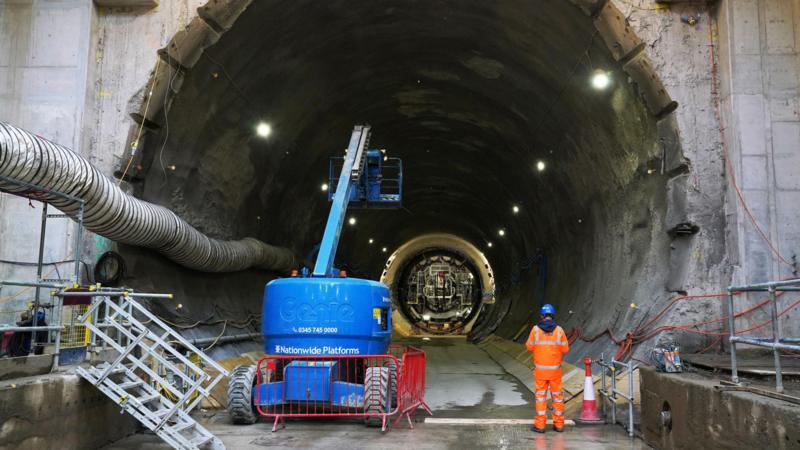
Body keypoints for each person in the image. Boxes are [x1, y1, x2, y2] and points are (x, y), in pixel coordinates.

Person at [526, 303, 569, 433]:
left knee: (540, 397)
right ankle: (559, 425)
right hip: (555, 372)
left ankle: (540, 425)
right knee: (557, 397)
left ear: (541, 316)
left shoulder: (535, 330)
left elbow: (529, 347)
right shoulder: (559, 331)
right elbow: (565, 349)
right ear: (553, 315)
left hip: (540, 372)